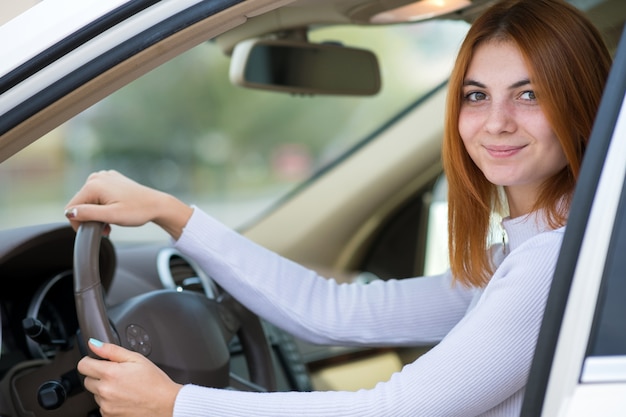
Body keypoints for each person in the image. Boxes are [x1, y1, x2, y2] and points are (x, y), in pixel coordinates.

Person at [64, 0, 612, 416]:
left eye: (529, 94)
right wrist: (172, 213)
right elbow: (333, 312)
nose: (496, 122)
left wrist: (179, 404)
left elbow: (394, 409)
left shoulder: (551, 263)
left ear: (581, 102)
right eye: (476, 95)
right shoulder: (515, 256)